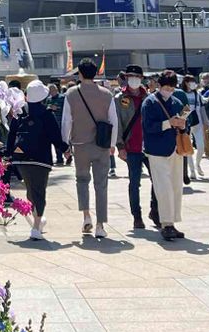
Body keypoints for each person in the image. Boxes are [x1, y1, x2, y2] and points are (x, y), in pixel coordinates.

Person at [61, 58, 118, 238]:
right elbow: (113, 121)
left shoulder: (71, 93)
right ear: (96, 73)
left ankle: (86, 216)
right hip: (101, 145)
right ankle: (100, 225)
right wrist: (112, 144)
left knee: (82, 180)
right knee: (101, 185)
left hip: (80, 144)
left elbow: (66, 121)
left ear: (79, 73)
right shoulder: (107, 94)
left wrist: (66, 143)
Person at [6, 79, 67, 241]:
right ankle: (36, 226)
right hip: (40, 159)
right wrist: (66, 150)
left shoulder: (20, 112)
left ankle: (38, 221)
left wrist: (8, 154)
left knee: (31, 191)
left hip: (21, 159)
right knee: (39, 191)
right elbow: (56, 137)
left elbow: (11, 135)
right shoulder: (46, 114)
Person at [141, 70, 187, 241]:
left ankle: (172, 222)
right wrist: (169, 123)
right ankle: (165, 223)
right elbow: (148, 127)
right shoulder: (150, 102)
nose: (169, 90)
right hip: (157, 150)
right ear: (159, 86)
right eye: (166, 87)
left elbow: (184, 124)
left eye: (172, 87)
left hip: (175, 148)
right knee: (163, 188)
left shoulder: (176, 102)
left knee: (176, 187)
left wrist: (182, 125)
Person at [115, 64, 159, 229]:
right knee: (134, 183)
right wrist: (120, 146)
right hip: (131, 147)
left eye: (137, 77)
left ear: (141, 79)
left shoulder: (150, 97)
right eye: (130, 76)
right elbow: (117, 123)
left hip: (150, 147)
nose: (133, 79)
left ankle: (155, 210)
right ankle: (137, 216)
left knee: (157, 180)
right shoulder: (119, 98)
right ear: (126, 78)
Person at [182, 74, 205, 179]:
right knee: (188, 148)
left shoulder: (197, 94)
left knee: (201, 147)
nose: (193, 84)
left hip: (198, 123)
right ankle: (192, 171)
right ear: (186, 83)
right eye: (191, 81)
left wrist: (206, 121)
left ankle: (198, 164)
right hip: (186, 123)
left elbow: (203, 105)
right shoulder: (181, 94)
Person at [45, 83, 65, 165]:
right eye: (50, 91)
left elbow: (66, 108)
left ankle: (66, 155)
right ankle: (59, 157)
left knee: (63, 140)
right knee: (53, 140)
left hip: (61, 121)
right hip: (51, 122)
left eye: (52, 90)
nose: (51, 92)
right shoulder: (48, 99)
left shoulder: (62, 98)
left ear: (56, 90)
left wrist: (57, 108)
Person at [199, 72, 209, 158]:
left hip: (206, 114)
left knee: (205, 134)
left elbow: (202, 101)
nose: (203, 80)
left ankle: (208, 152)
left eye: (205, 79)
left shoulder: (205, 90)